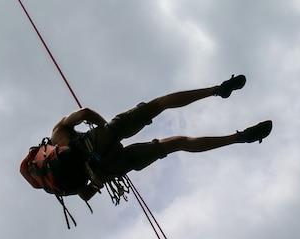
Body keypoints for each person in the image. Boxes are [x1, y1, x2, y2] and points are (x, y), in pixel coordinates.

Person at [26, 75, 272, 202]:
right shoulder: (57, 133)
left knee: (178, 143)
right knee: (158, 105)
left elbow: (85, 194)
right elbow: (85, 113)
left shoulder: (60, 183)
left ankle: (239, 138)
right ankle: (217, 90)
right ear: (41, 152)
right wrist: (109, 130)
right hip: (99, 140)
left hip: (108, 170)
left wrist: (99, 179)